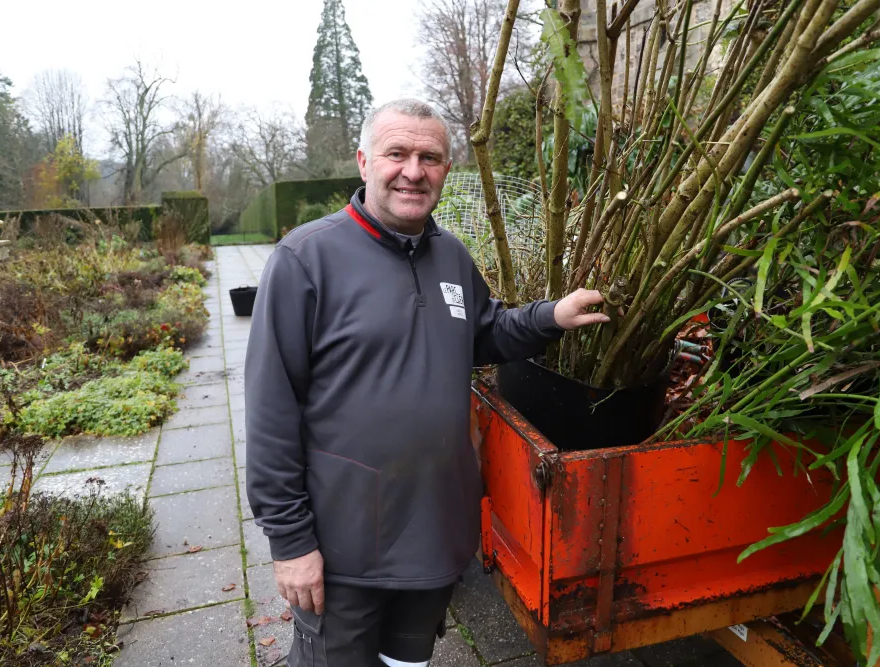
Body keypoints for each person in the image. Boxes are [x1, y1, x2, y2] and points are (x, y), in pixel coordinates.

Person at [245, 99, 610, 667]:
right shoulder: (305, 260)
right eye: (397, 153)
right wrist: (291, 542)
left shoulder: (450, 256)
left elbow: (483, 332)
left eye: (430, 157)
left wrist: (549, 317)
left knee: (407, 662)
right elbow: (270, 410)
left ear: (445, 169)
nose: (413, 171)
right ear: (364, 161)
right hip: (344, 545)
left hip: (435, 530)